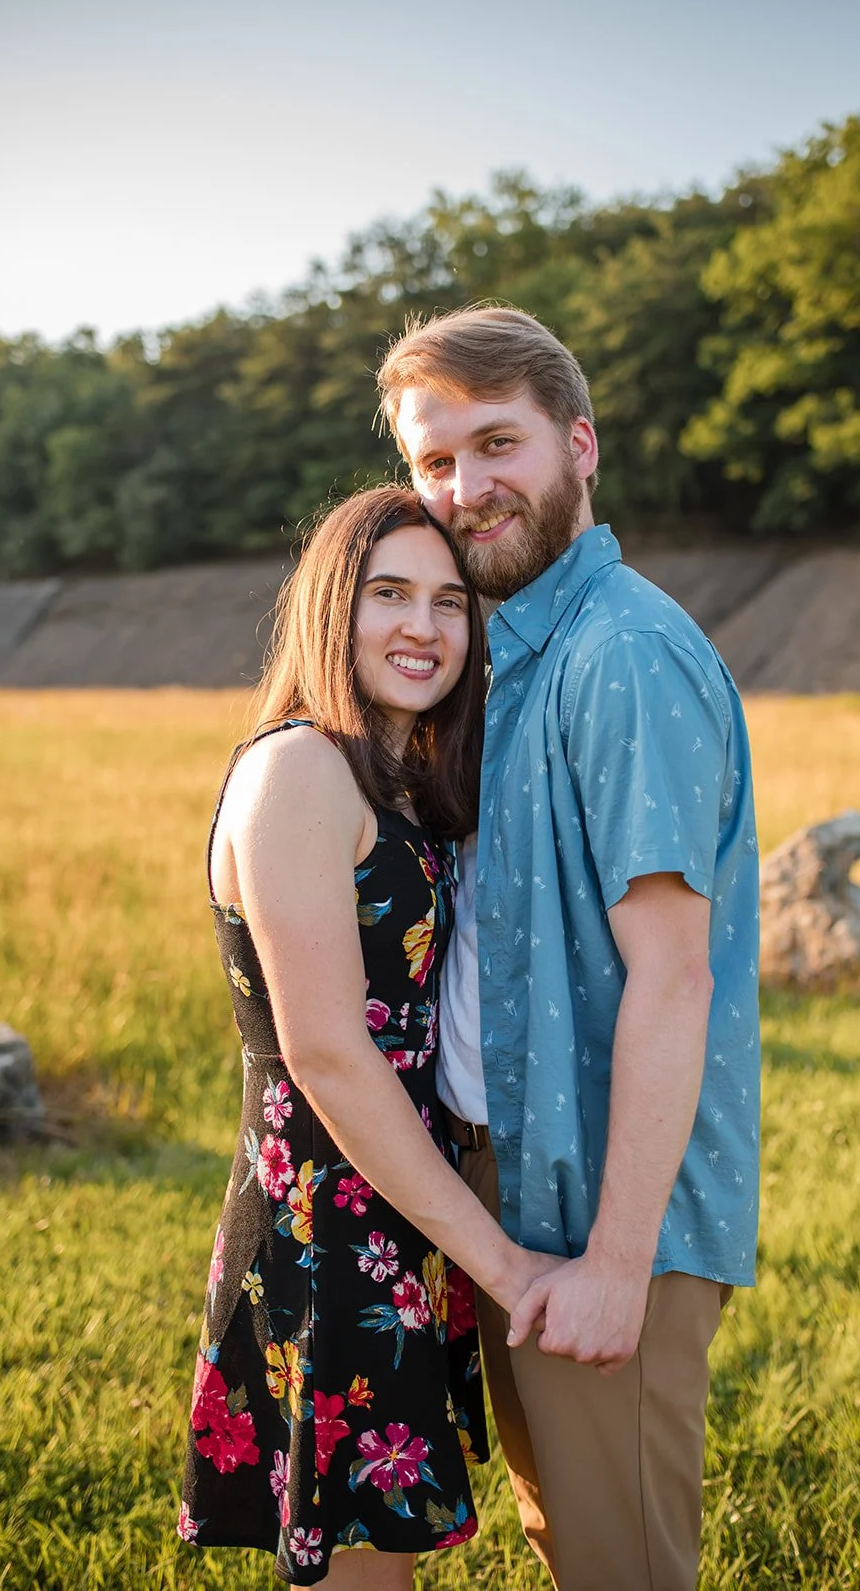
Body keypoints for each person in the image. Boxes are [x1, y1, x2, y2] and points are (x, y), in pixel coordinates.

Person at [377, 308, 761, 1591]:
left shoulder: (621, 653)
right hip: (516, 1192)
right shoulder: (517, 654)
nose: (465, 489)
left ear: (580, 444)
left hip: (611, 1211)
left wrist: (615, 1258)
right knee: (571, 1543)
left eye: (498, 443)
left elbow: (675, 974)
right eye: (435, 461)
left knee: (624, 1565)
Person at [177, 485, 560, 1588]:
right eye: (389, 593)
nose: (424, 627)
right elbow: (330, 1051)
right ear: (331, 610)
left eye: (450, 602)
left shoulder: (396, 775)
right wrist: (500, 1263)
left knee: (381, 1558)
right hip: (329, 1224)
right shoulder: (299, 767)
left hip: (394, 1205)